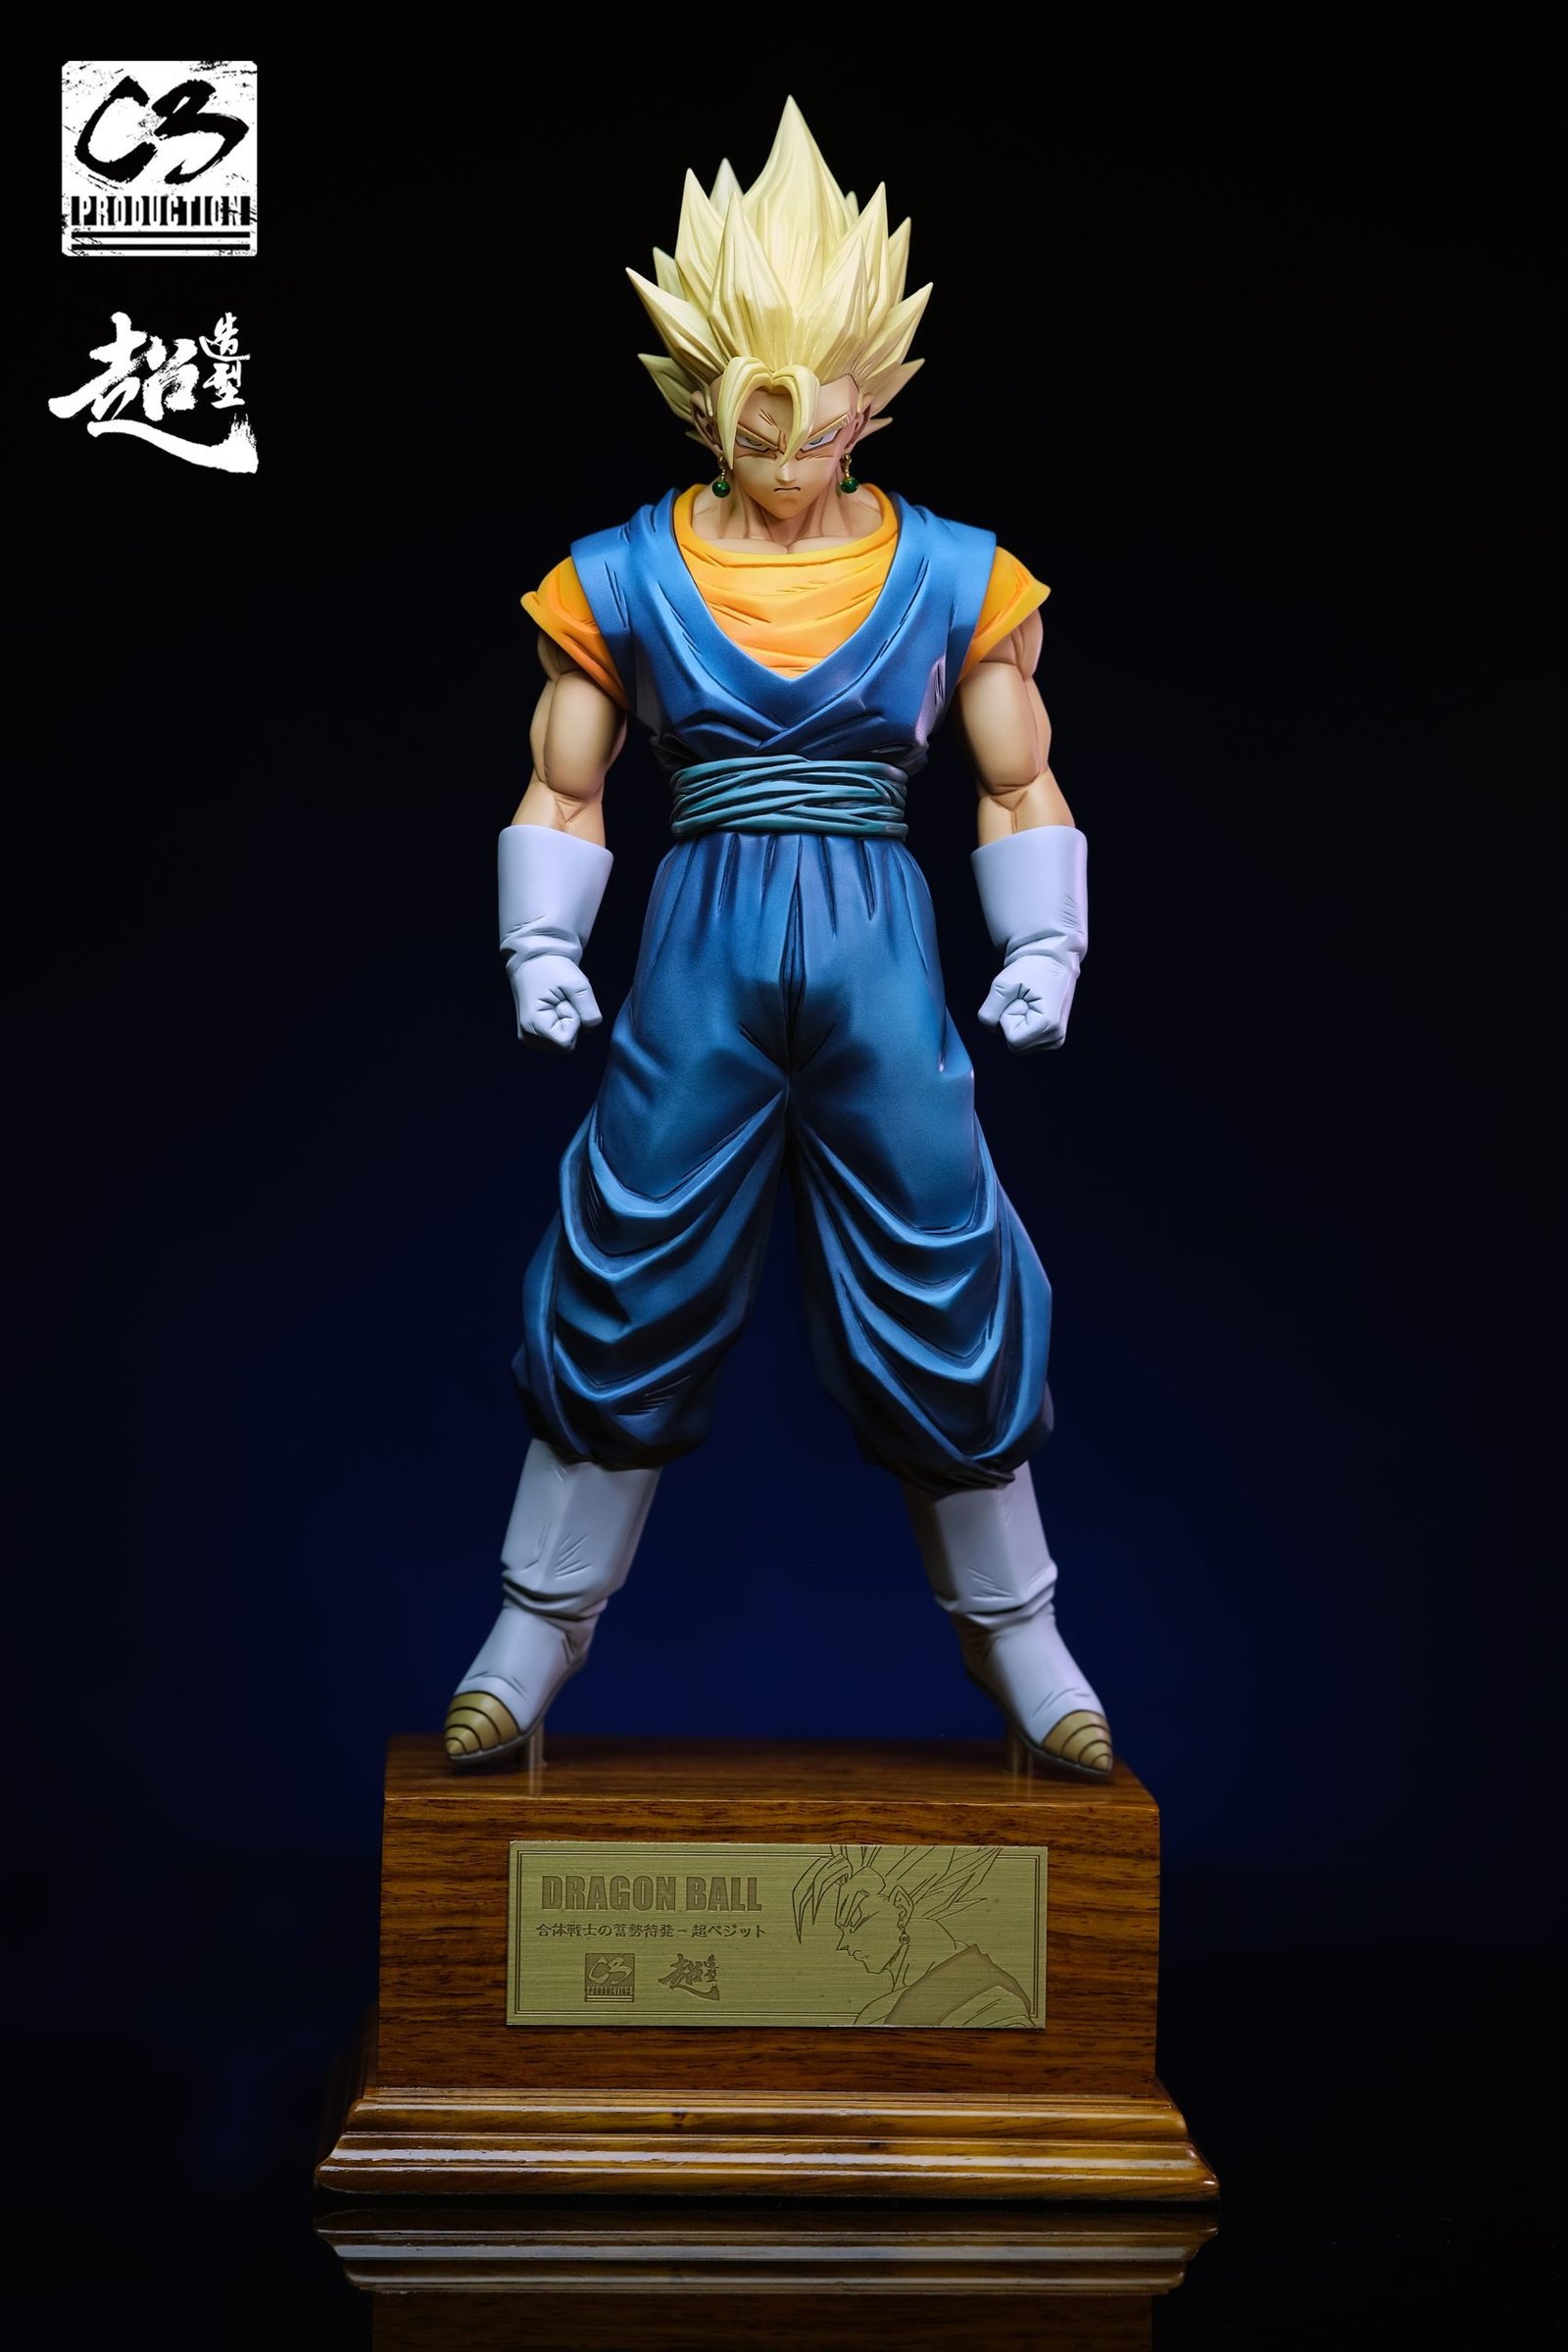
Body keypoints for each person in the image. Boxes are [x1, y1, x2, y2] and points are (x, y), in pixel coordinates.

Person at [443, 102, 1110, 1781]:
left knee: (948, 1273)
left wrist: (1045, 945)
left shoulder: (954, 573)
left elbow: (1018, 777)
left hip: (880, 946)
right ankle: (532, 1627)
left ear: (872, 394)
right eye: (760, 398)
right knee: (625, 1269)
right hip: (700, 951)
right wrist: (540, 947)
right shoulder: (620, 575)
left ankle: (1023, 1640)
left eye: (824, 397)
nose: (792, 431)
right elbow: (565, 782)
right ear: (701, 392)